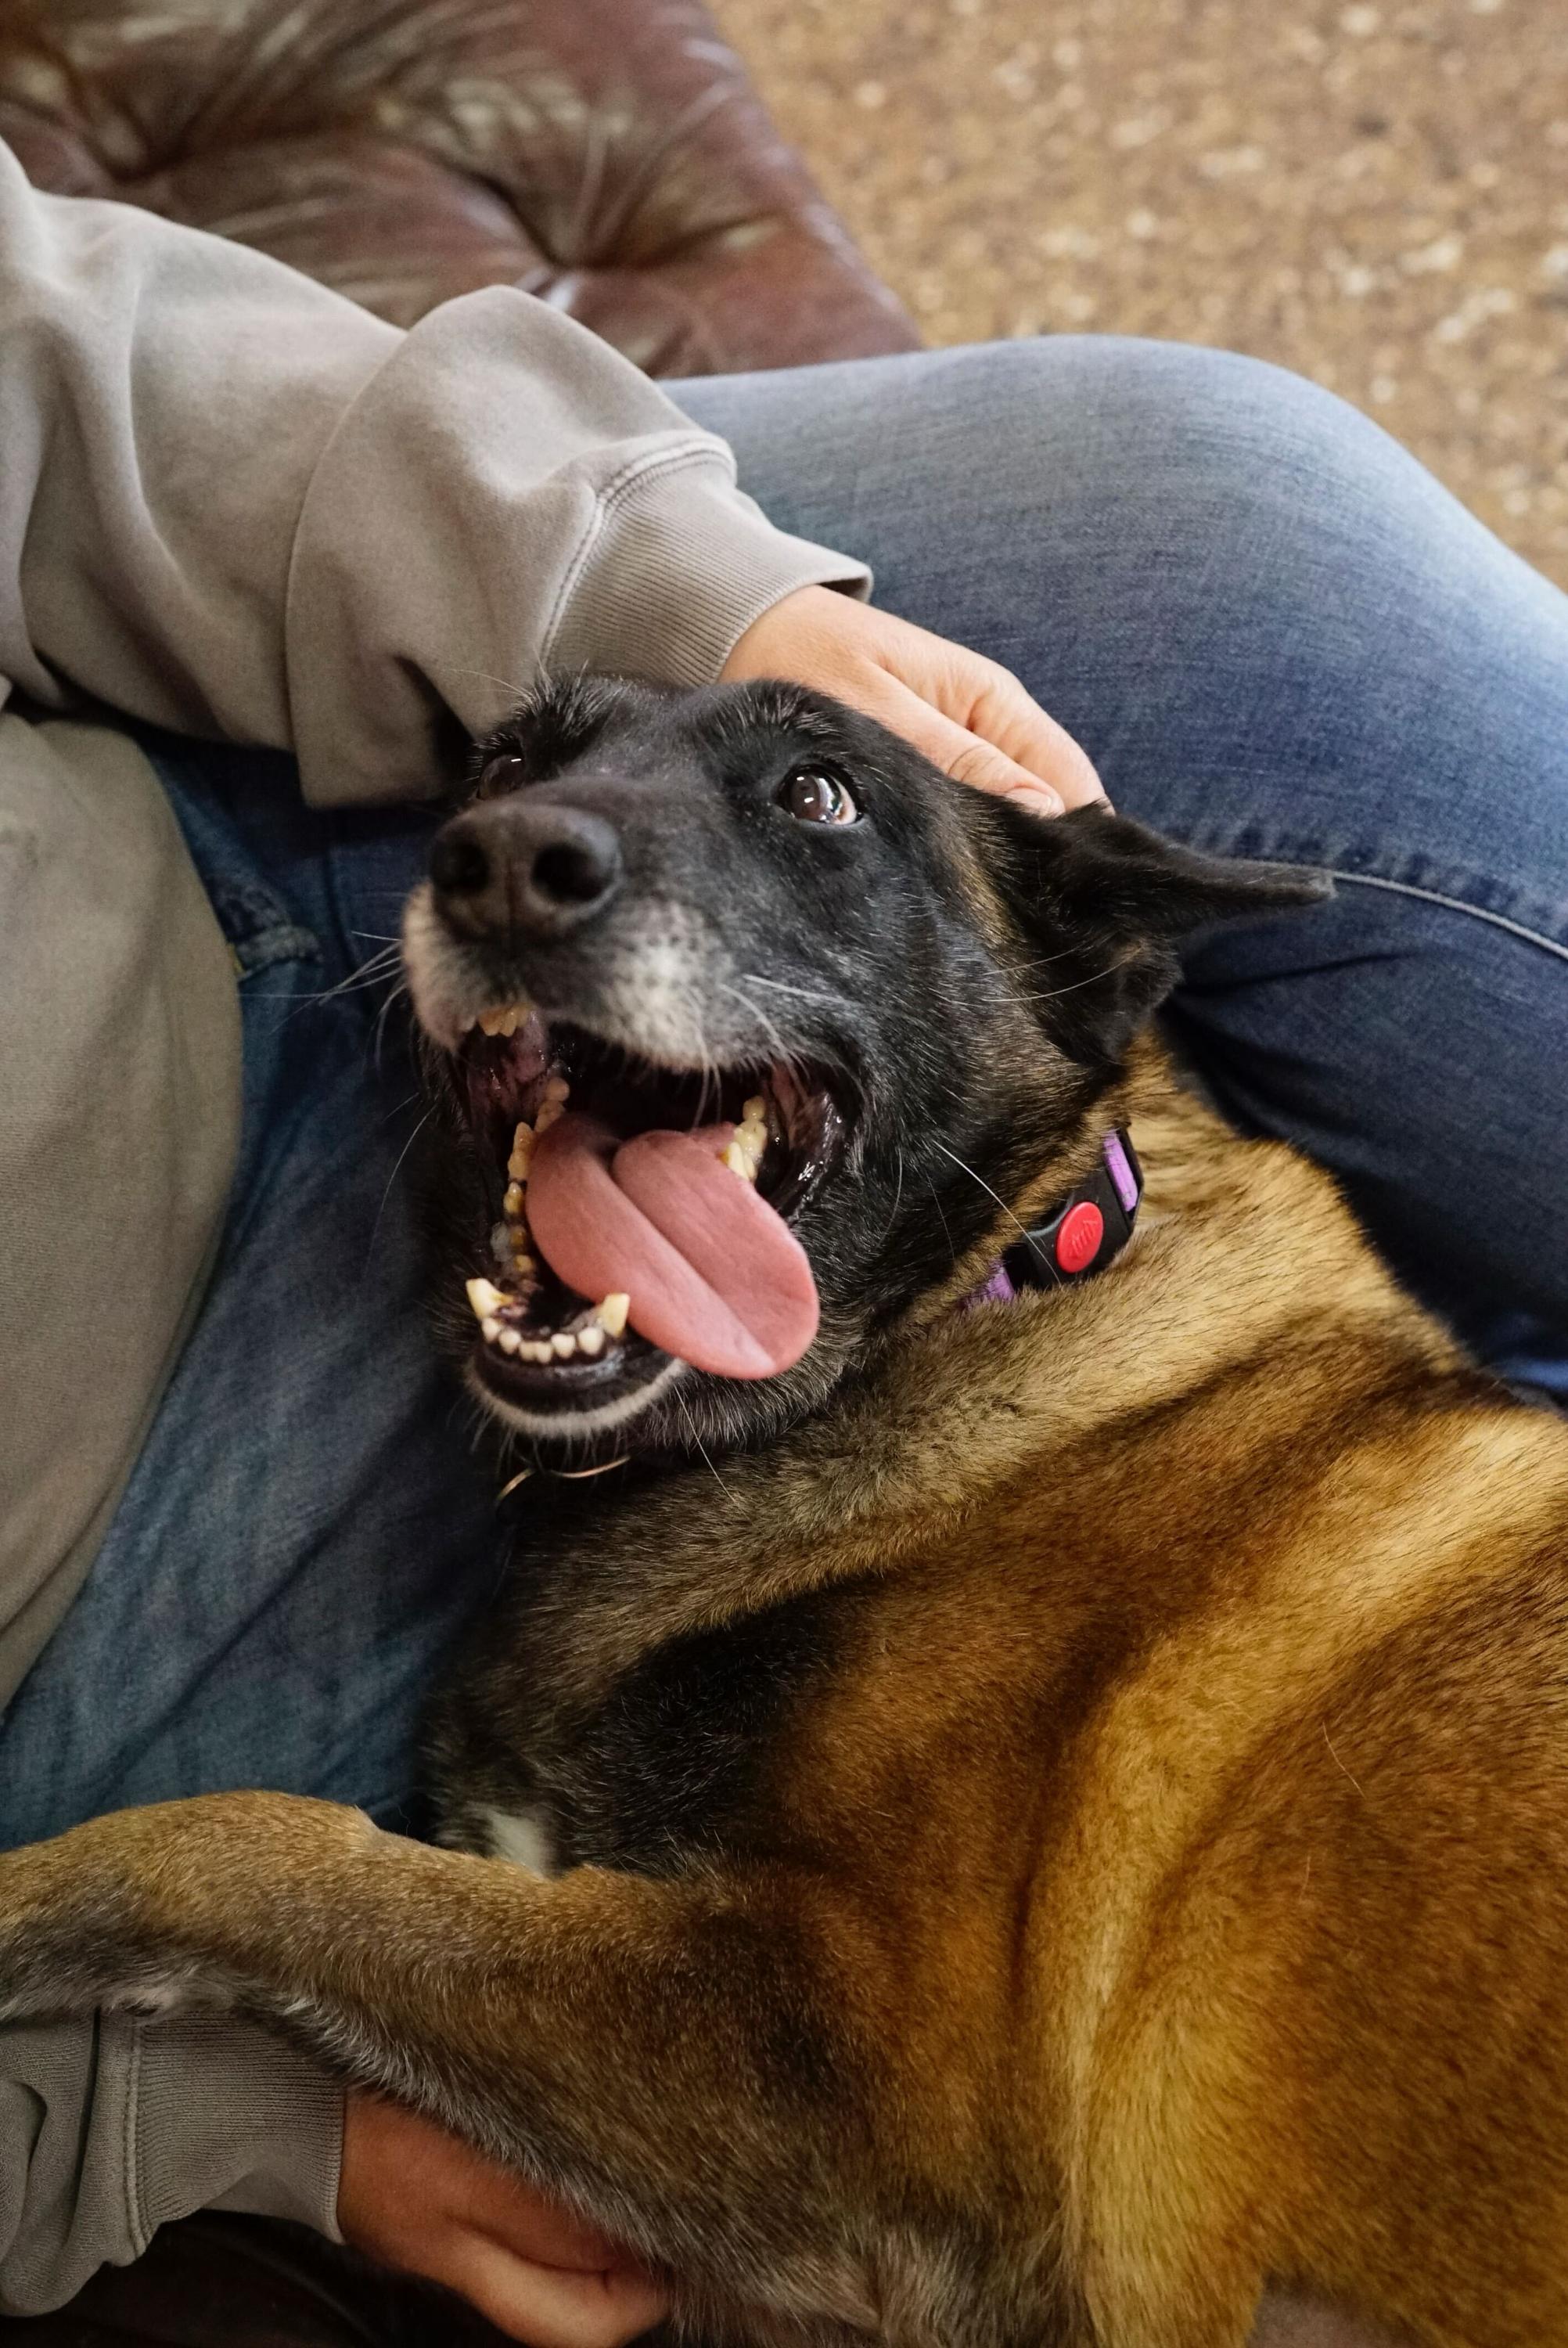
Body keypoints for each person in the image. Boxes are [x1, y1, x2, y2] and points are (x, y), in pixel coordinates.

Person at [0, 134, 1563, 2340]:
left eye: (797, 807)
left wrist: (678, 595)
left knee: (1212, 503)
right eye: (528, 816)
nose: (527, 853)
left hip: (179, 850)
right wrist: (186, 2128)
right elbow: (863, 2139)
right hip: (100, 1590)